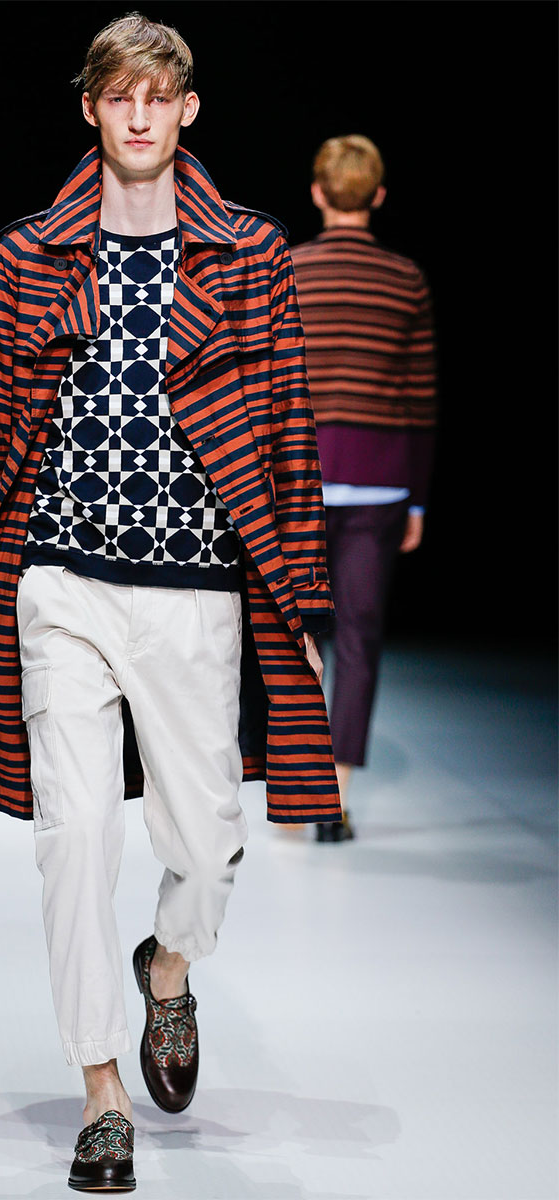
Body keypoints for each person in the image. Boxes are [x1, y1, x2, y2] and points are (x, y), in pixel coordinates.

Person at [0, 13, 341, 1191]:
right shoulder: (26, 258)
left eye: (158, 95)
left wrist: (302, 597)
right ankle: (101, 1091)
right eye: (119, 95)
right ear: (91, 108)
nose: (138, 114)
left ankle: (166, 970)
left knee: (206, 845)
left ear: (187, 109)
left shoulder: (249, 254)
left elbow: (287, 428)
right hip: (60, 580)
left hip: (194, 590)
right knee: (73, 840)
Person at [290, 135, 438, 843]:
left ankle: (293, 783)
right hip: (380, 481)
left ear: (317, 193)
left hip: (296, 478)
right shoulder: (406, 278)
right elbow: (421, 397)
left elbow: (263, 384)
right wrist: (418, 497)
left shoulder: (289, 270)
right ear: (378, 196)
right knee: (358, 636)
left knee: (289, 630)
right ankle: (334, 796)